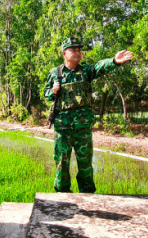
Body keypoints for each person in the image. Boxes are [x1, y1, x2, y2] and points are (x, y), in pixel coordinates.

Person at [42, 37, 133, 194]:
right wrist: (54, 90)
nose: (78, 53)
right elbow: (46, 94)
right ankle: (62, 196)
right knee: (61, 162)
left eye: (79, 50)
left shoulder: (85, 71)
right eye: (73, 50)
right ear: (64, 53)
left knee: (85, 164)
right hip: (62, 128)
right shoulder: (55, 73)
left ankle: (87, 195)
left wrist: (114, 61)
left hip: (82, 127)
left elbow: (100, 67)